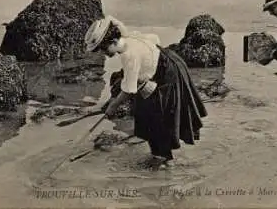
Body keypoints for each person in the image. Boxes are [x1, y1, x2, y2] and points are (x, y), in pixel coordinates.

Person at [84, 15, 207, 167]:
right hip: (165, 63)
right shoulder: (128, 37)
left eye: (104, 49)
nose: (104, 54)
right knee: (144, 112)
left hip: (169, 73)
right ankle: (159, 155)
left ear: (114, 41)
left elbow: (129, 89)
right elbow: (152, 39)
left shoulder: (129, 55)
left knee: (159, 117)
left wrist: (113, 106)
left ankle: (165, 161)